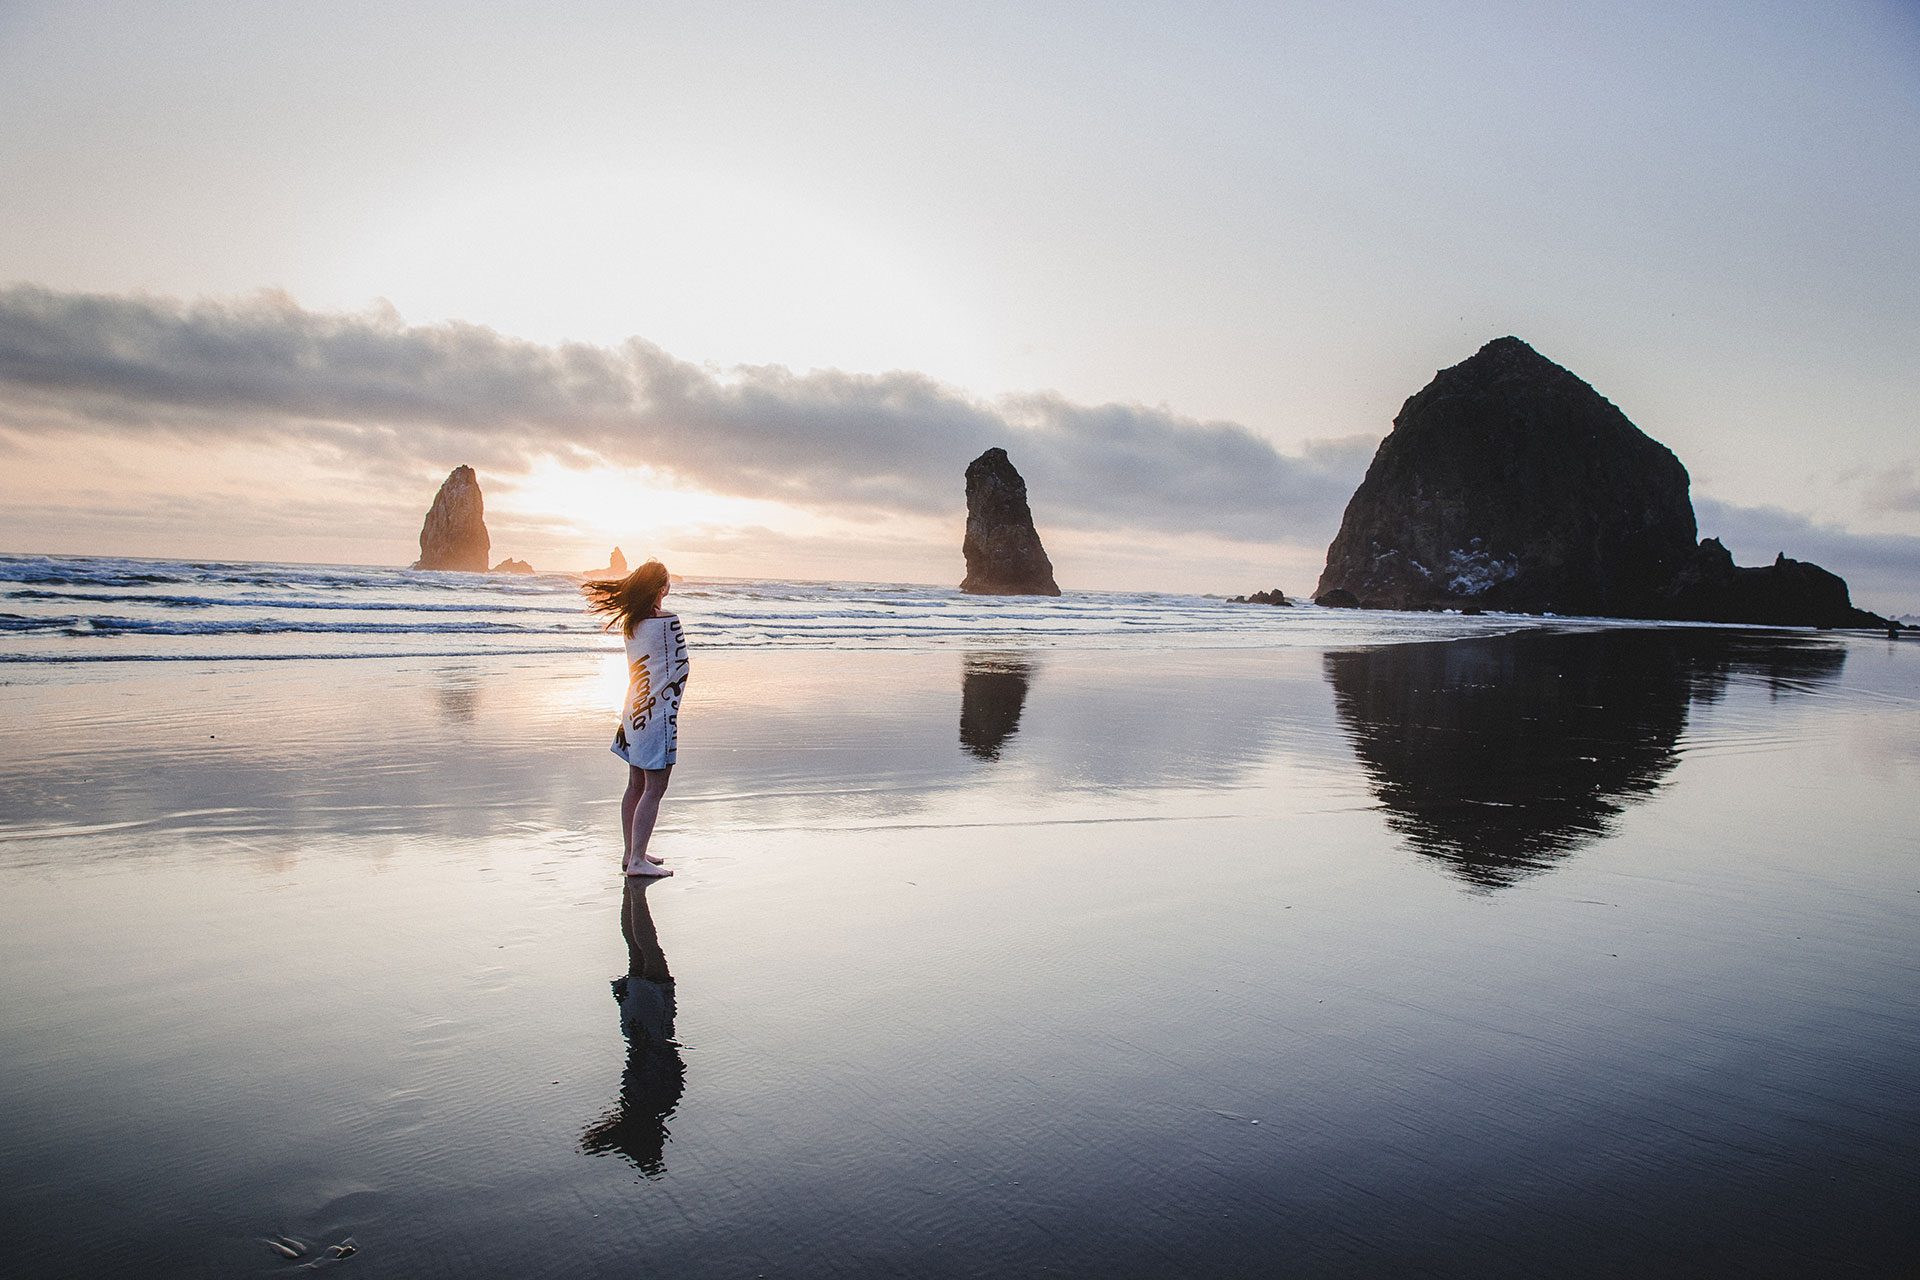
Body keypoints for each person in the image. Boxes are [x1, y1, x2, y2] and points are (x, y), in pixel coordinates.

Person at [583, 559, 689, 877]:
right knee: (655, 786)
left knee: (636, 783)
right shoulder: (668, 621)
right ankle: (638, 861)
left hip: (634, 710)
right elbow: (679, 665)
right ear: (662, 589)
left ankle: (632, 854)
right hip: (656, 714)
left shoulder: (632, 623)